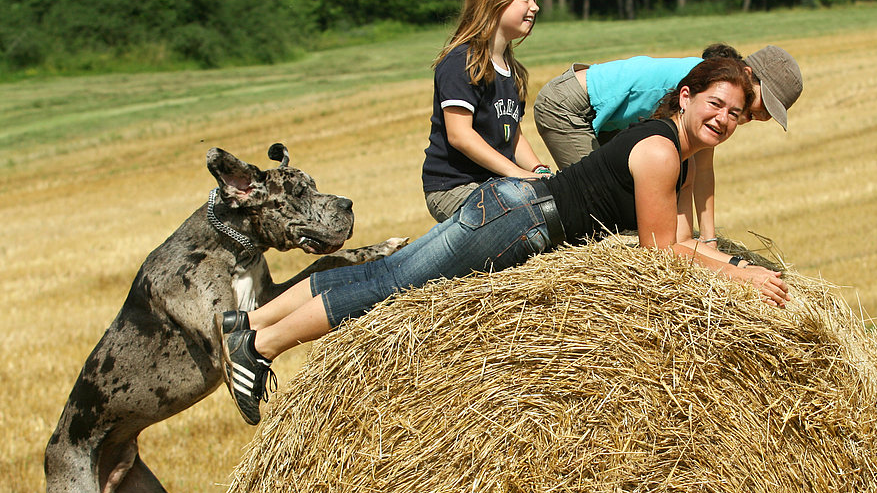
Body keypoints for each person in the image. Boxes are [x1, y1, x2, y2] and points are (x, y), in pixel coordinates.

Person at [218, 57, 790, 426]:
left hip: (514, 211)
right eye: (715, 104)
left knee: (385, 277)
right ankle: (262, 347)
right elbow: (661, 251)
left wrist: (730, 261)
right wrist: (745, 278)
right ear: (686, 96)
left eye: (735, 114)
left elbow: (689, 243)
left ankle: (248, 324)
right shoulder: (662, 151)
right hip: (516, 219)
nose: (723, 119)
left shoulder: (676, 155)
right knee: (389, 289)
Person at [533, 44, 803, 245]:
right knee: (598, 213)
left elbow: (701, 171)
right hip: (571, 105)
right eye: (764, 104)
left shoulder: (715, 100)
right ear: (746, 74)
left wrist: (709, 241)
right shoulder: (705, 84)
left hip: (607, 120)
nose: (762, 116)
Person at [422, 0, 552, 224]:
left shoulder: (511, 69)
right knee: (524, 214)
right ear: (495, 2)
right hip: (454, 188)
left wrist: (539, 171)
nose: (535, 7)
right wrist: (518, 175)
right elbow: (460, 136)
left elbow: (512, 134)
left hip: (496, 184)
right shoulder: (461, 61)